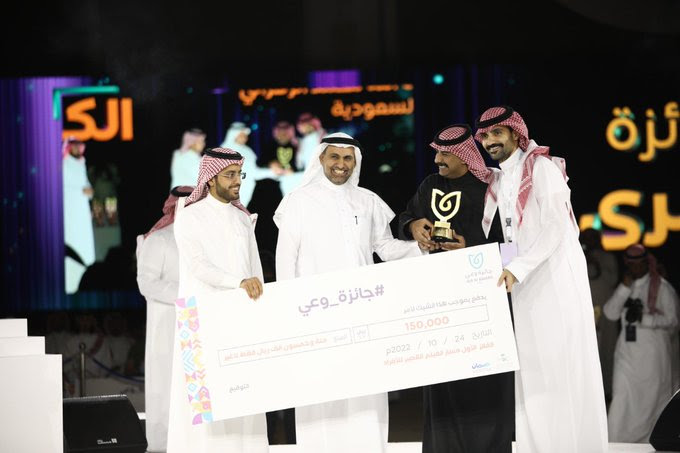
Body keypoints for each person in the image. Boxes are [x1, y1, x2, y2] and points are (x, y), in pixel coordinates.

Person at [274, 132, 421, 453]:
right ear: (321, 159)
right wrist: (289, 310)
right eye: (334, 156)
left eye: (347, 158)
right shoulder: (299, 201)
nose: (341, 164)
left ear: (356, 162)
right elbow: (285, 258)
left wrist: (422, 248)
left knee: (365, 389)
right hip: (315, 315)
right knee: (320, 392)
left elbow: (384, 247)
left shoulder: (367, 201)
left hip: (362, 314)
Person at [475, 106, 608, 452]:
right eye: (485, 136)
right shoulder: (501, 178)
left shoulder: (542, 168)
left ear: (516, 134)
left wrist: (518, 268)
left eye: (497, 133)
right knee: (533, 372)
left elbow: (556, 226)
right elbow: (510, 234)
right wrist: (508, 269)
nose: (489, 141)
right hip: (525, 284)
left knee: (559, 365)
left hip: (555, 279)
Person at [398, 124, 512, 453]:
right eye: (436, 153)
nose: (437, 160)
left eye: (445, 154)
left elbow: (513, 245)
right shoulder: (430, 184)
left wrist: (470, 248)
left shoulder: (492, 189)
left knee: (484, 381)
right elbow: (405, 218)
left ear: (465, 156)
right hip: (439, 296)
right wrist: (413, 225)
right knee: (444, 376)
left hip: (483, 299)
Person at [166, 147, 268, 453]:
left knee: (245, 394)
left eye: (239, 174)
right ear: (210, 179)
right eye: (230, 175)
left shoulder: (242, 218)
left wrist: (261, 302)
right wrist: (238, 283)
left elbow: (255, 269)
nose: (237, 181)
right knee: (207, 401)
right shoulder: (189, 215)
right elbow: (198, 266)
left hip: (241, 319)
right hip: (203, 319)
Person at [136, 185, 194, 452]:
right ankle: (162, 445)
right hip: (166, 328)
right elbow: (146, 283)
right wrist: (186, 294)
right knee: (165, 387)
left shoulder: (202, 240)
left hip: (196, 326)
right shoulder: (158, 240)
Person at [603, 244, 679, 442]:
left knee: (649, 403)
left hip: (653, 357)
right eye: (631, 264)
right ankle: (615, 442)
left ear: (647, 262)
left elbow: (673, 320)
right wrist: (623, 288)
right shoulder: (626, 286)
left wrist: (644, 319)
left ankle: (648, 443)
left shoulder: (662, 287)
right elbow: (610, 313)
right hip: (627, 355)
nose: (635, 267)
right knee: (621, 398)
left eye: (639, 263)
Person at [580, 228, 620, 402]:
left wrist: (596, 262)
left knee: (607, 348)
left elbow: (613, 280)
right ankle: (587, 391)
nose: (590, 241)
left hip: (605, 310)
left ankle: (608, 389)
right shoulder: (578, 256)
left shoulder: (608, 258)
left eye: (593, 238)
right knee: (586, 350)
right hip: (584, 310)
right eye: (587, 238)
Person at [62, 136, 96, 293]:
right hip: (71, 216)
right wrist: (82, 191)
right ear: (69, 147)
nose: (78, 148)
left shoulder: (81, 163)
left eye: (79, 145)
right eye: (74, 145)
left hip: (82, 217)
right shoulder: (64, 164)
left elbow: (86, 186)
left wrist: (89, 191)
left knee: (86, 252)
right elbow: (63, 187)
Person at [221, 121, 280, 208]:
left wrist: (273, 172)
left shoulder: (248, 151)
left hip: (246, 193)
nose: (245, 137)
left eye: (246, 135)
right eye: (242, 134)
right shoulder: (224, 152)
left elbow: (253, 172)